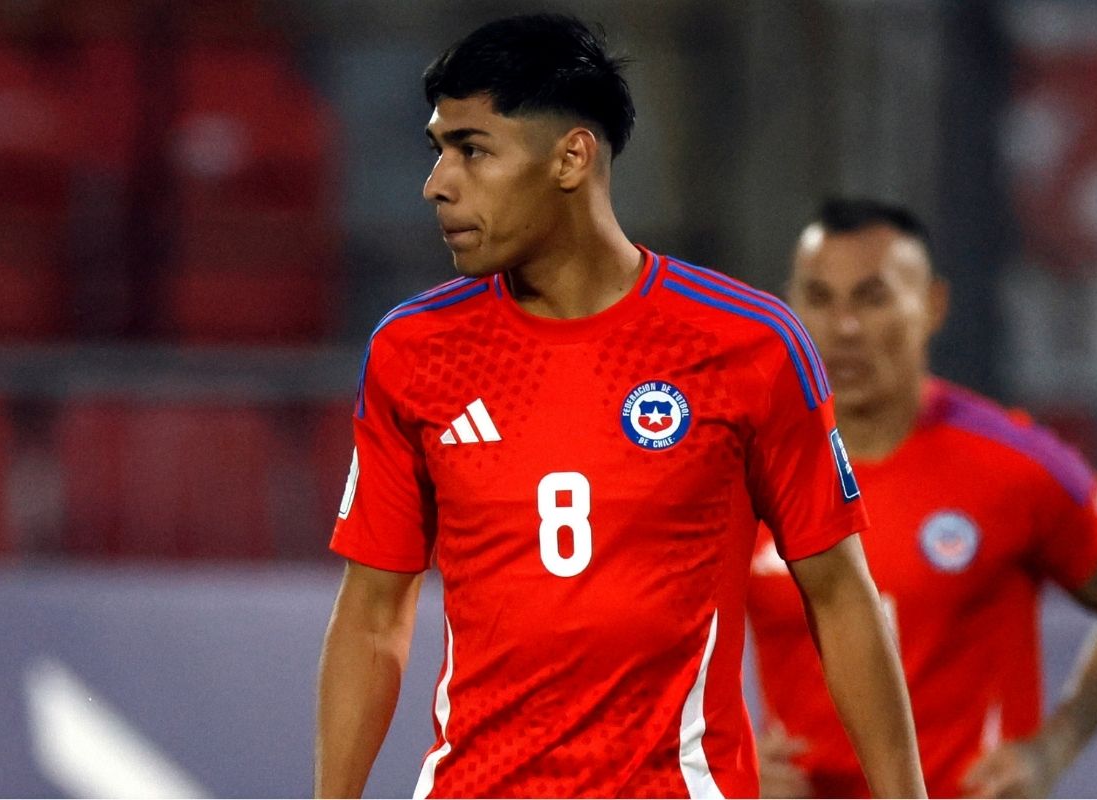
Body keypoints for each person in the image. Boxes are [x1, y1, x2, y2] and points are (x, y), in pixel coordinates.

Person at [315, 16, 925, 799]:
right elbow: (371, 613)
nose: (437, 182)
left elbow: (840, 594)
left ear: (571, 156)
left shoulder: (751, 344)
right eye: (439, 149)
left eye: (472, 149)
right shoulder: (413, 351)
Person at [746, 197, 1097, 798]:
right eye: (820, 299)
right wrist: (734, 761)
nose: (845, 327)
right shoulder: (745, 469)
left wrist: (1053, 747)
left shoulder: (1014, 464)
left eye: (872, 297)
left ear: (932, 306)